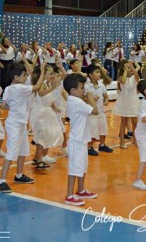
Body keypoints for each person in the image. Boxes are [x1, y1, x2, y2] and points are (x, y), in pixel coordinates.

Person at [0, 62, 45, 193]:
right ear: (16, 77)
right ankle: (2, 181)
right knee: (12, 152)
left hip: (19, 123)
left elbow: (3, 105)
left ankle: (19, 175)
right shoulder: (20, 88)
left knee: (23, 150)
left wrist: (14, 108)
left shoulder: (8, 88)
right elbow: (37, 87)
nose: (26, 77)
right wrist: (42, 71)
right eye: (24, 75)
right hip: (15, 124)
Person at [63, 73, 98, 206]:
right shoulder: (75, 101)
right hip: (76, 140)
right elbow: (95, 111)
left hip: (81, 139)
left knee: (82, 166)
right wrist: (90, 97)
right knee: (74, 169)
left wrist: (87, 99)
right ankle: (69, 195)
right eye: (82, 88)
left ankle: (81, 190)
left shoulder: (75, 100)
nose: (84, 90)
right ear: (73, 91)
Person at [85, 64, 112, 156]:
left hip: (101, 111)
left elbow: (106, 96)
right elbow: (84, 98)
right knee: (92, 130)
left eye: (99, 72)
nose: (99, 74)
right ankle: (89, 147)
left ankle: (102, 145)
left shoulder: (101, 85)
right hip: (92, 113)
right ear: (90, 75)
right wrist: (91, 99)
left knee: (103, 129)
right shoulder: (87, 86)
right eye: (97, 72)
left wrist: (106, 101)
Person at [112, 60, 140, 149]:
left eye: (128, 68)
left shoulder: (133, 78)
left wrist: (132, 67)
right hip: (124, 101)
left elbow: (137, 76)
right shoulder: (121, 78)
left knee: (135, 122)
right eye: (126, 67)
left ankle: (135, 139)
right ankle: (122, 141)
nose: (128, 69)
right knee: (123, 122)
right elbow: (123, 81)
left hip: (133, 101)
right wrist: (124, 70)